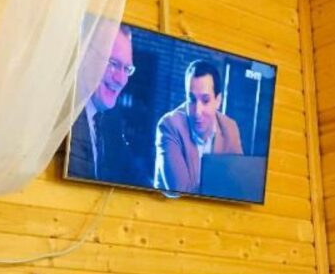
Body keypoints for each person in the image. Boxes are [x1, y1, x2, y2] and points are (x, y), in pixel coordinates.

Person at [154, 59, 242, 193]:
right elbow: (181, 192)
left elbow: (239, 184)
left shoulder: (230, 127)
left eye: (205, 100)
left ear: (218, 101)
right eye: (192, 99)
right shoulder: (169, 126)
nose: (197, 112)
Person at [67, 24, 135, 183]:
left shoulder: (112, 121)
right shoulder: (66, 113)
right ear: (85, 56)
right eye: (113, 63)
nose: (121, 80)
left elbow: (132, 175)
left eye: (127, 69)